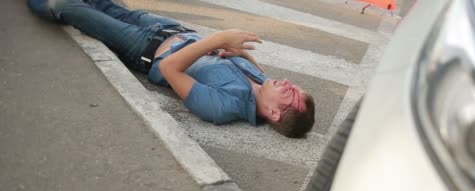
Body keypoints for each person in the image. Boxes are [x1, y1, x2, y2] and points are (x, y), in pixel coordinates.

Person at [28, 0, 315, 138]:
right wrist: (238, 53)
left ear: (275, 114)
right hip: (170, 29)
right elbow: (246, 66)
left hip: (144, 49)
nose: (288, 83)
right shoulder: (262, 82)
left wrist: (216, 39)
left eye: (291, 95)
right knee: (101, 1)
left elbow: (169, 69)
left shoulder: (224, 107)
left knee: (68, 7)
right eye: (296, 86)